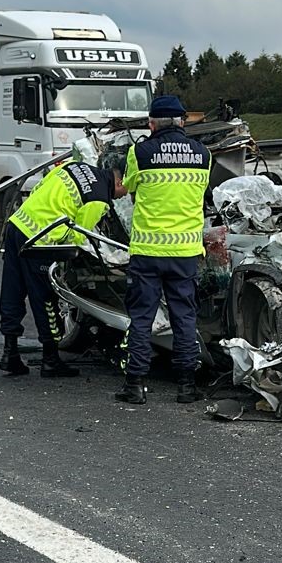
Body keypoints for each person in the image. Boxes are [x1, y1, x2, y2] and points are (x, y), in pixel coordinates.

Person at [113, 93, 213, 406]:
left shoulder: (139, 152)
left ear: (151, 123)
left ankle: (136, 385)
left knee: (142, 317)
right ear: (182, 121)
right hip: (185, 253)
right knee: (184, 316)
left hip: (147, 251)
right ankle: (186, 386)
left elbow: (128, 188)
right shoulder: (203, 154)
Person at [0, 157, 113, 378]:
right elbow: (79, 236)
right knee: (45, 300)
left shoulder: (74, 166)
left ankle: (9, 354)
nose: (124, 195)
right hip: (39, 242)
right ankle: (50, 360)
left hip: (18, 224)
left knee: (12, 291)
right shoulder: (98, 199)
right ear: (118, 181)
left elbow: (40, 188)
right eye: (124, 190)